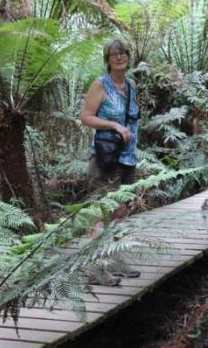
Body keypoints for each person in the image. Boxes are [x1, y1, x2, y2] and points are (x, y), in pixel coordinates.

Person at [80, 39, 141, 284]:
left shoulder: (131, 85)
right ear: (107, 59)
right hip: (107, 159)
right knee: (101, 213)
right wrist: (113, 124)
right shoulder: (100, 85)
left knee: (121, 211)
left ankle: (113, 260)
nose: (119, 58)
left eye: (123, 53)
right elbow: (86, 117)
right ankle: (94, 268)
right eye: (114, 54)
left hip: (128, 158)